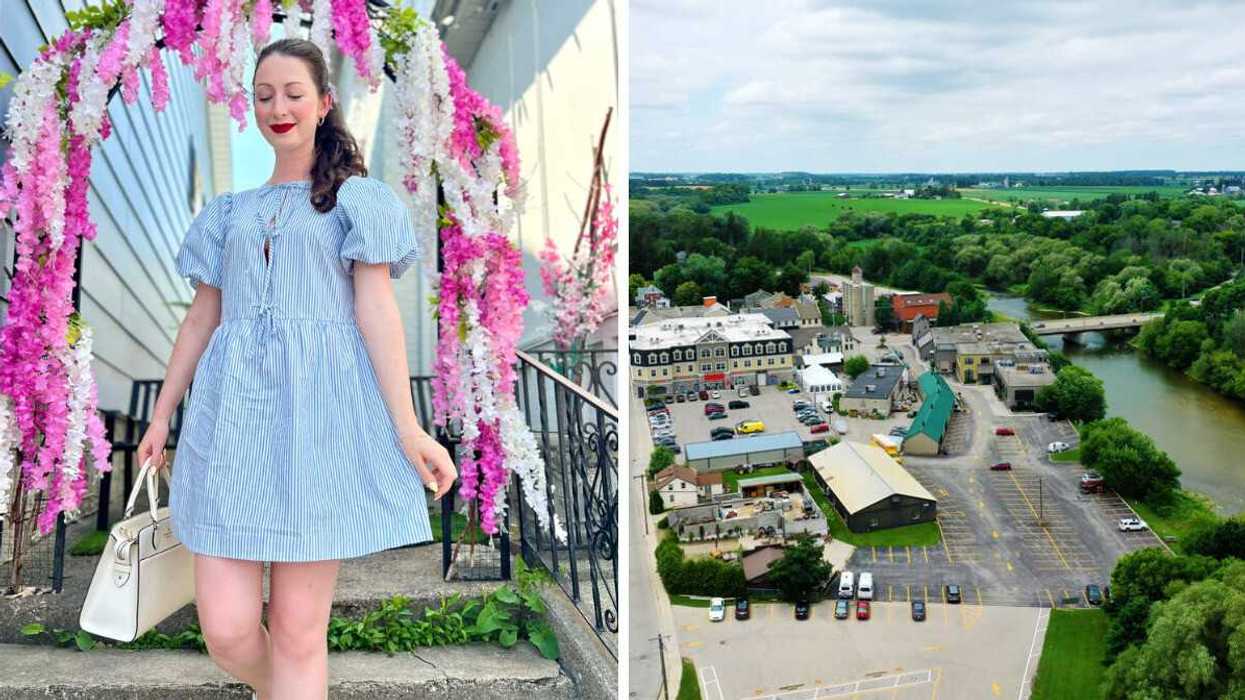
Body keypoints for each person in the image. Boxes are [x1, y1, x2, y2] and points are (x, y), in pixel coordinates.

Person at [135, 38, 457, 700]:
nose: (277, 107)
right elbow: (201, 318)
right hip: (230, 425)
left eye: (292, 93)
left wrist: (408, 428)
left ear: (323, 103)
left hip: (320, 422)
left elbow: (377, 313)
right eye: (263, 96)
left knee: (298, 632)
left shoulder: (357, 201)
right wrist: (162, 414)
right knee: (225, 631)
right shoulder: (227, 213)